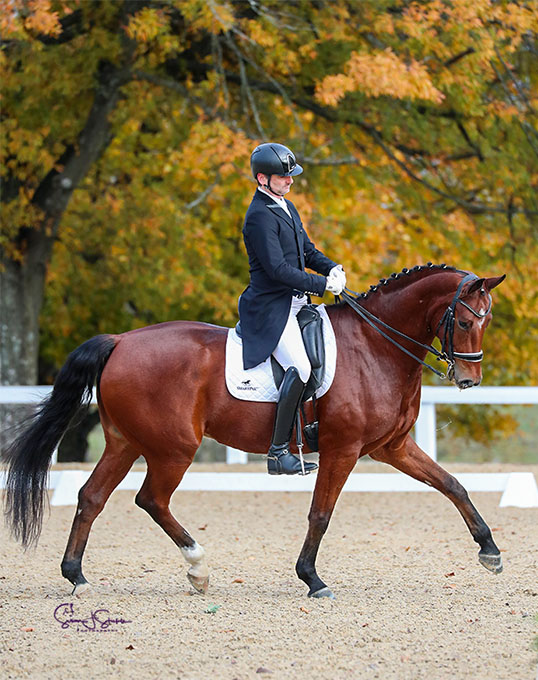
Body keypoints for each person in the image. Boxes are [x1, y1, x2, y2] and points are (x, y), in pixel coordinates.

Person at [238, 142, 346, 475]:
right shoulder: (258, 217)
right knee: (298, 367)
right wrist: (322, 286)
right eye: (283, 177)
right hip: (272, 307)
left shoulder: (286, 206)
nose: (290, 182)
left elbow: (308, 251)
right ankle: (278, 451)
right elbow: (277, 270)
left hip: (297, 303)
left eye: (290, 176)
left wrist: (331, 268)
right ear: (262, 179)